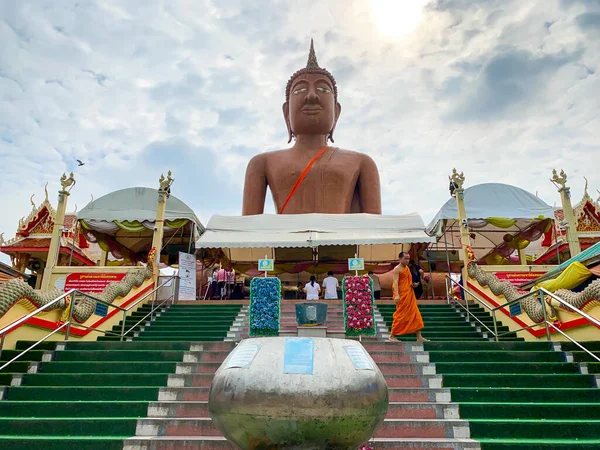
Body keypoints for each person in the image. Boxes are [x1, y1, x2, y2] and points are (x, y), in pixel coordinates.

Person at [242, 40, 381, 215]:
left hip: (341, 242)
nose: (312, 96)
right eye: (299, 91)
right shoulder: (262, 163)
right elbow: (248, 232)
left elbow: (374, 231)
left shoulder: (361, 163)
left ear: (336, 112)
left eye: (323, 90)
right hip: (286, 242)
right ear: (286, 113)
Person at [390, 252, 427, 342]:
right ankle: (392, 336)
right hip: (402, 295)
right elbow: (395, 282)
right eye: (405, 258)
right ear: (400, 259)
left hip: (409, 294)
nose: (407, 260)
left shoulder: (407, 268)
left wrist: (413, 285)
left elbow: (406, 281)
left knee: (415, 314)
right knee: (400, 315)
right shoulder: (397, 269)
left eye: (408, 259)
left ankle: (419, 337)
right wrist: (397, 295)